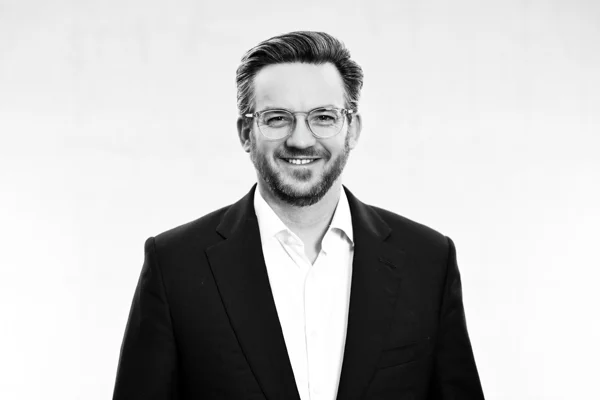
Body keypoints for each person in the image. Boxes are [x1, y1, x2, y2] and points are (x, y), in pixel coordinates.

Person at [112, 31, 485, 400]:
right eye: (277, 118)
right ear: (246, 133)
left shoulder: (428, 260)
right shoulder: (174, 265)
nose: (301, 140)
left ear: (352, 129)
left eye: (323, 117)